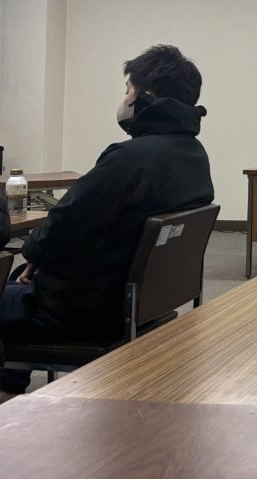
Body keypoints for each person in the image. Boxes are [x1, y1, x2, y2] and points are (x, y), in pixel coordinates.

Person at [0, 45, 215, 398]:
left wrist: (36, 253)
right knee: (17, 276)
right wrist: (40, 257)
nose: (124, 98)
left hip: (80, 309)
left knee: (13, 281)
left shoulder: (128, 158)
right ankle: (9, 392)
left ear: (144, 97)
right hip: (136, 302)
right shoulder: (193, 155)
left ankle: (8, 393)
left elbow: (60, 227)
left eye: (127, 89)